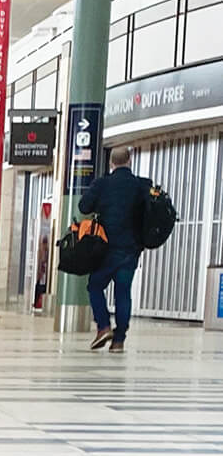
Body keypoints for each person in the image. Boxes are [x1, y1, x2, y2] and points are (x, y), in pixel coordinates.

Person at [80, 145, 152, 352]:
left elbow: (84, 207)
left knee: (94, 286)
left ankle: (103, 326)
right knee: (123, 293)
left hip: (105, 249)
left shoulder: (103, 184)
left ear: (111, 163)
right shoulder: (140, 186)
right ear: (129, 161)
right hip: (130, 250)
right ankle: (119, 341)